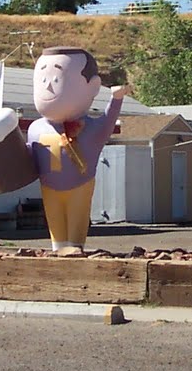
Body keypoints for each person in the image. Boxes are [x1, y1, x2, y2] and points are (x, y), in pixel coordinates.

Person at [25, 47, 128, 255]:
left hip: (80, 185)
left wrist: (116, 99)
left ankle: (75, 248)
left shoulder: (90, 129)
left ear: (93, 87)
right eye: (43, 79)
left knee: (75, 222)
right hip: (48, 186)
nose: (49, 86)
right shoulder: (35, 128)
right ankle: (58, 249)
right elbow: (28, 156)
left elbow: (108, 122)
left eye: (56, 79)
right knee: (55, 221)